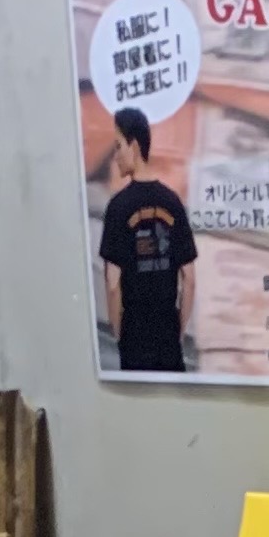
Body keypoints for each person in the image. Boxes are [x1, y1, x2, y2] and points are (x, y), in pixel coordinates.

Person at [96, 106, 197, 375]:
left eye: (119, 146)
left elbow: (113, 284)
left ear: (134, 146)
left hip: (134, 341)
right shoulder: (172, 202)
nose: (116, 156)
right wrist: (178, 332)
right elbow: (189, 279)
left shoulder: (118, 207)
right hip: (168, 340)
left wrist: (119, 334)